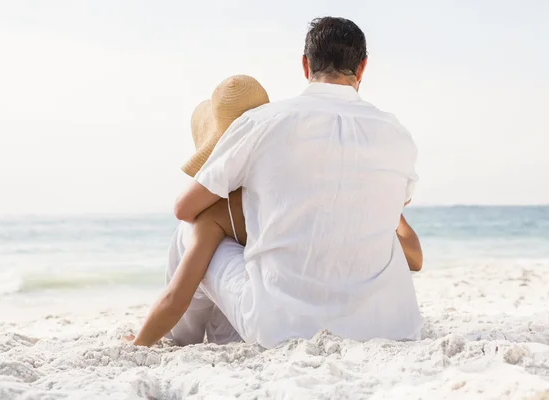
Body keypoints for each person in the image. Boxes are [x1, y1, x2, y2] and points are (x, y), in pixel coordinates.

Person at [132, 16, 424, 349]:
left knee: (193, 230)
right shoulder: (398, 135)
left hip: (284, 327)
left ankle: (178, 337)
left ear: (305, 65)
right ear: (362, 68)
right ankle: (216, 335)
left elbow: (184, 208)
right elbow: (396, 215)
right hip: (390, 324)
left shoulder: (264, 123)